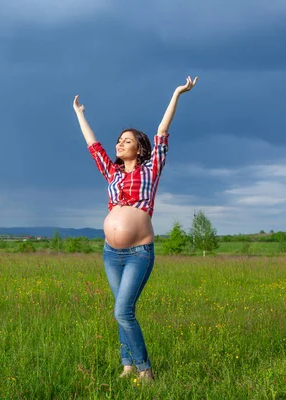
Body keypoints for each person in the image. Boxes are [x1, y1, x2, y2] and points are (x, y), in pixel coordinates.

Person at [73, 76, 198, 381]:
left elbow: (162, 132)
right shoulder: (112, 172)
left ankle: (145, 370)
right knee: (121, 309)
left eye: (127, 140)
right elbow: (94, 146)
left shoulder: (151, 168)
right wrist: (80, 113)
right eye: (119, 140)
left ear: (139, 148)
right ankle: (127, 365)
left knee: (122, 311)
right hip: (110, 253)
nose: (120, 143)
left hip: (139, 252)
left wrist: (176, 94)